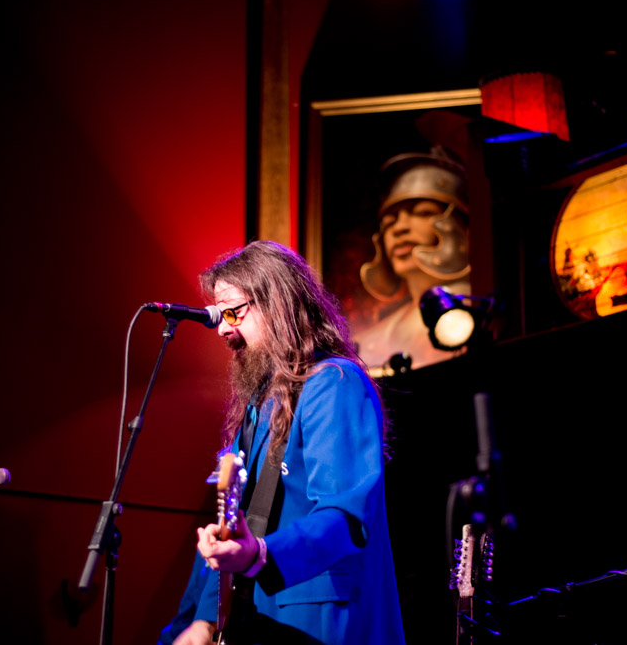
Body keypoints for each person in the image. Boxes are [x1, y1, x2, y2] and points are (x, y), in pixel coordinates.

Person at [171, 240, 405, 645]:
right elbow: (238, 528)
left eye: (233, 312)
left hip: (322, 621)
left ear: (276, 305)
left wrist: (261, 553)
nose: (223, 327)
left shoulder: (334, 383)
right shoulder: (258, 407)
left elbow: (345, 516)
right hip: (260, 618)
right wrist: (206, 620)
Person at [352, 146, 472, 372]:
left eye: (423, 212)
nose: (400, 228)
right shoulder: (369, 339)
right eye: (389, 223)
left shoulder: (479, 311)